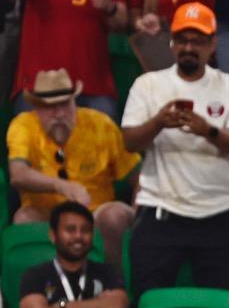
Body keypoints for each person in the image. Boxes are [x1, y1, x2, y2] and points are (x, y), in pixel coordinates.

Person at [119, 1, 229, 308]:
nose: (189, 47)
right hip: (162, 209)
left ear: (212, 44)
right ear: (172, 43)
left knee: (227, 306)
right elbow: (128, 140)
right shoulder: (148, 84)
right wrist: (158, 123)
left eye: (198, 40)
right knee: (146, 303)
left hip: (218, 212)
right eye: (182, 40)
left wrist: (208, 130)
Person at [8, 68, 138, 262]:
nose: (59, 114)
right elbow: (18, 174)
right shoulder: (23, 125)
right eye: (50, 107)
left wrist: (140, 214)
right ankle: (39, 287)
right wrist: (61, 186)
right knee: (24, 218)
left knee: (115, 214)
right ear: (37, 108)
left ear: (74, 101)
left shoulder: (101, 124)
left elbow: (139, 178)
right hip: (47, 214)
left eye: (65, 104)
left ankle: (114, 283)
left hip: (95, 213)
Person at [16, 199, 128, 308]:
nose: (78, 236)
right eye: (70, 230)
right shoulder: (35, 275)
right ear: (53, 235)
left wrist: (64, 306)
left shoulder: (107, 273)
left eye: (85, 230)